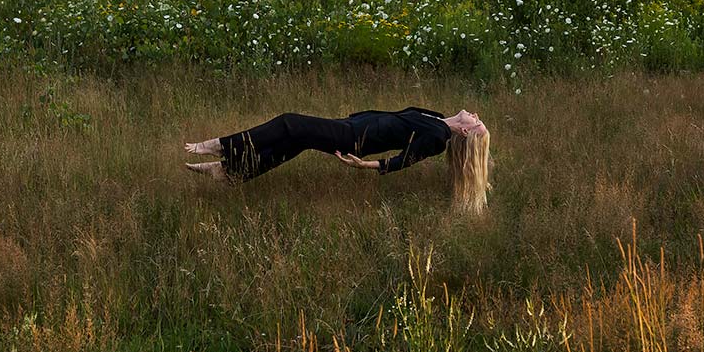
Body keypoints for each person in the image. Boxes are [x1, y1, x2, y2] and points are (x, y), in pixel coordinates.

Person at [184, 106, 492, 213]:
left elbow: (405, 159)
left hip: (352, 140)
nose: (475, 115)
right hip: (351, 127)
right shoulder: (437, 118)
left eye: (476, 122)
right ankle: (231, 173)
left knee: (289, 123)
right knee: (296, 140)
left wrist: (367, 165)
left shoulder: (437, 137)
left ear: (465, 131)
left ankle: (224, 147)